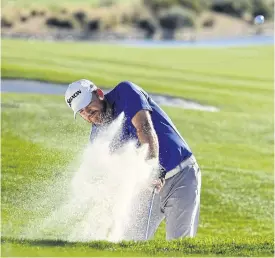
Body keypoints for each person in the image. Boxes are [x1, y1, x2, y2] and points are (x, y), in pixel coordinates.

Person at [65, 79, 201, 240]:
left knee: (179, 244)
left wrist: (152, 167)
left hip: (181, 176)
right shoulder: (98, 137)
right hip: (146, 186)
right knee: (129, 242)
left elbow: (143, 127)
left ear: (99, 94)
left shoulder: (125, 92)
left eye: (89, 106)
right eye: (81, 111)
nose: (88, 113)